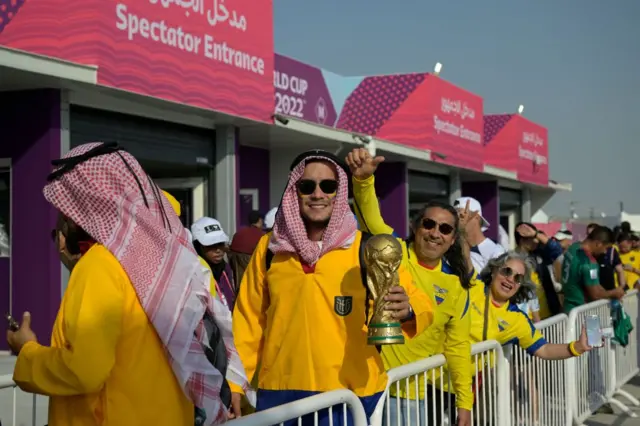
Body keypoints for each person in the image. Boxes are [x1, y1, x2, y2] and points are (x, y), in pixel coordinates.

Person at [6, 142, 252, 426]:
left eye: (67, 207)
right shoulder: (174, 257)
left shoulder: (100, 265)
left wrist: (28, 353)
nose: (64, 218)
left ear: (87, 204)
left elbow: (85, 370)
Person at [231, 149, 434, 425]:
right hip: (280, 396)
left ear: (339, 193)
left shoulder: (365, 247)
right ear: (294, 191)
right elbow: (248, 321)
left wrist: (407, 309)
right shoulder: (270, 248)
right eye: (307, 186)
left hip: (349, 398)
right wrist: (234, 383)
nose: (318, 194)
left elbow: (420, 301)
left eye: (329, 186)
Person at [345, 148, 473, 426]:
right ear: (416, 227)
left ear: (453, 239)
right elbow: (371, 217)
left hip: (416, 394)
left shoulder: (456, 286)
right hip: (370, 384)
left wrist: (465, 402)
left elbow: (459, 347)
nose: (435, 233)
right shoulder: (394, 251)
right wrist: (363, 182)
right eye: (429, 224)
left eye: (445, 229)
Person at [562, 225, 625, 313]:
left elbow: (594, 284)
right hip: (583, 312)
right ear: (598, 243)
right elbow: (595, 295)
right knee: (598, 326)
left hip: (568, 307)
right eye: (606, 248)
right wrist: (614, 293)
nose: (605, 252)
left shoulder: (573, 248)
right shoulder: (590, 263)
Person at [514, 223, 564, 319]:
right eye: (532, 237)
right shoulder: (512, 260)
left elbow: (557, 249)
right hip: (528, 317)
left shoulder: (540, 254)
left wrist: (536, 233)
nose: (537, 241)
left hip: (549, 313)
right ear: (522, 239)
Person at [192, 217, 236, 310]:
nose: (218, 250)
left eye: (220, 243)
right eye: (211, 245)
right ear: (198, 246)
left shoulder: (226, 269)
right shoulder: (195, 275)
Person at [452, 196, 505, 271]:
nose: (458, 221)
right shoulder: (451, 248)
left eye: (462, 216)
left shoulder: (496, 251)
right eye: (454, 216)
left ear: (476, 217)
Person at [228, 211, 265, 288]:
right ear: (260, 220)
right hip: (250, 263)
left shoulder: (239, 233)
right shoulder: (261, 235)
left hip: (236, 263)